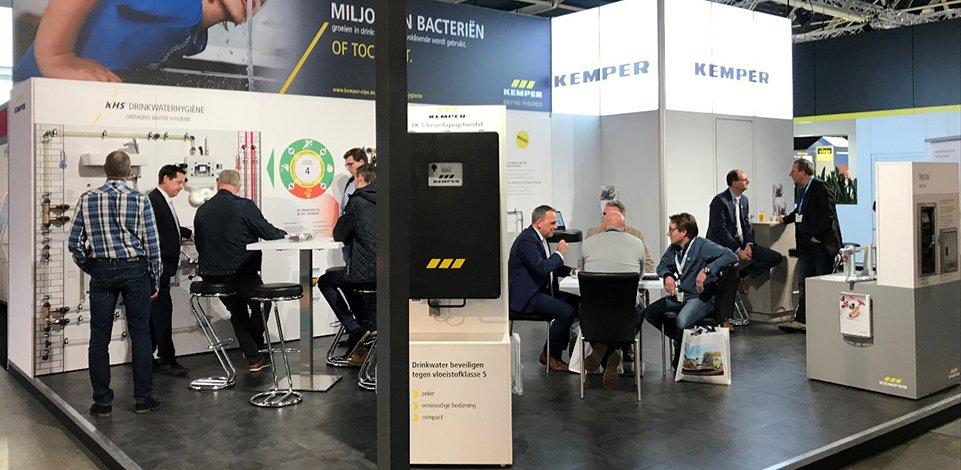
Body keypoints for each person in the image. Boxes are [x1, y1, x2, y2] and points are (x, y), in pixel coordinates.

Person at [68, 150, 162, 416]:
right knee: (140, 334)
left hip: (102, 270)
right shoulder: (140, 199)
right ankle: (143, 398)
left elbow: (74, 243)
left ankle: (102, 402)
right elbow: (152, 245)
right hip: (135, 270)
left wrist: (91, 266)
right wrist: (154, 279)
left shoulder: (87, 198)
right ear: (129, 171)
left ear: (105, 170)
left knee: (99, 337)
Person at [15, 0, 265, 82]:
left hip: (68, 96)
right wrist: (55, 55)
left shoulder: (196, 38)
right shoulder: (182, 5)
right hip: (38, 84)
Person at [193, 169, 287, 372]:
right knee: (263, 303)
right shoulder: (244, 206)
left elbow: (200, 244)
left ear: (218, 184)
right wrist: (287, 235)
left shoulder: (202, 210)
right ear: (239, 185)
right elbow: (268, 232)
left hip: (211, 275)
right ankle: (256, 347)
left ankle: (254, 356)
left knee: (238, 311)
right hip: (241, 272)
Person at [640, 213, 737, 369]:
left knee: (683, 321)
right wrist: (668, 275)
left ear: (683, 232)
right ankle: (683, 339)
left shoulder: (702, 245)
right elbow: (662, 266)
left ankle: (679, 356)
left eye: (671, 229)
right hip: (682, 296)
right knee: (650, 312)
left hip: (700, 298)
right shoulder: (674, 248)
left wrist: (707, 270)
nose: (668, 233)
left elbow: (731, 256)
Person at [579, 211, 647, 389]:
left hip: (593, 317)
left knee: (583, 309)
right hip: (625, 316)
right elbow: (639, 275)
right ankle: (615, 350)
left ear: (603, 226)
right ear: (624, 228)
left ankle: (602, 346)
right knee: (640, 308)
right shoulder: (637, 243)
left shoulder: (587, 243)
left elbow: (584, 271)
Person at [508, 205, 579, 372]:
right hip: (527, 296)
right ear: (539, 222)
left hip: (539, 290)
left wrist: (571, 271)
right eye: (552, 223)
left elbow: (548, 266)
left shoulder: (539, 238)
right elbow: (542, 268)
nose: (556, 226)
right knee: (566, 312)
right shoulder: (527, 241)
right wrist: (559, 253)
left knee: (576, 303)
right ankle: (550, 355)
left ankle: (558, 352)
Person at [778, 158, 842, 333]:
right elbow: (800, 211)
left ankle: (825, 320)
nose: (790, 174)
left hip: (820, 245)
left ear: (803, 171)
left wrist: (817, 236)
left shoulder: (820, 187)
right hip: (806, 245)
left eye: (794, 171)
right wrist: (785, 219)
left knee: (822, 282)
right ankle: (803, 320)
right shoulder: (803, 190)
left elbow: (828, 214)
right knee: (805, 282)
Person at [326, 163, 378, 366]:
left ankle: (355, 329)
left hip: (364, 274)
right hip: (386, 273)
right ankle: (363, 334)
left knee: (326, 281)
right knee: (350, 285)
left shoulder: (356, 201)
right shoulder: (389, 201)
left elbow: (339, 234)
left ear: (360, 179)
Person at [146, 165, 193, 377]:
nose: (181, 187)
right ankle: (167, 359)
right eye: (178, 182)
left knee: (156, 315)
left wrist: (187, 233)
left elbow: (169, 227)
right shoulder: (154, 201)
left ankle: (149, 357)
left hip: (163, 268)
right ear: (166, 178)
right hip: (159, 268)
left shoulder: (161, 201)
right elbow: (155, 232)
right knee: (162, 315)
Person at [707, 169, 784, 290]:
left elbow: (747, 225)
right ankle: (729, 282)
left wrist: (748, 244)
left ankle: (740, 275)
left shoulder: (744, 200)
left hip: (742, 243)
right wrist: (738, 250)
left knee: (775, 257)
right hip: (724, 245)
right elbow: (720, 230)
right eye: (744, 180)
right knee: (727, 268)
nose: (748, 182)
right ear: (734, 183)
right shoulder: (720, 201)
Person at [585, 200, 655, 273]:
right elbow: (582, 262)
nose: (606, 218)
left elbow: (648, 264)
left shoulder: (636, 235)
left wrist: (637, 276)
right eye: (604, 214)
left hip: (628, 278)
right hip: (598, 277)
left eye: (612, 215)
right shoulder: (592, 234)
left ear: (622, 218)